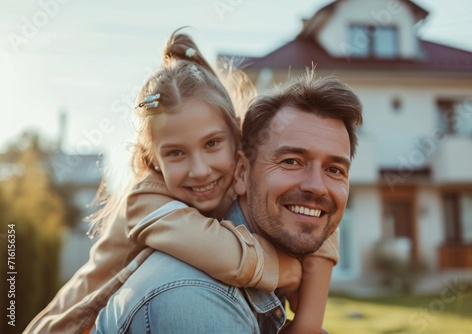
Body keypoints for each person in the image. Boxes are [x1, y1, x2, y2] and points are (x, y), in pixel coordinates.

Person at [24, 30, 340, 334]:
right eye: (176, 153)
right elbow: (223, 254)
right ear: (153, 160)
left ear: (236, 139)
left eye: (212, 144)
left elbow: (314, 209)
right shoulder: (146, 199)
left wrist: (309, 321)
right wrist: (285, 270)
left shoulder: (242, 172)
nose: (200, 170)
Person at [92, 72, 363, 333]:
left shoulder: (228, 191)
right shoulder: (195, 299)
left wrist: (308, 323)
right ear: (241, 172)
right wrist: (276, 269)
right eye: (291, 161)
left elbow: (322, 222)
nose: (317, 186)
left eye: (334, 170)